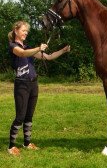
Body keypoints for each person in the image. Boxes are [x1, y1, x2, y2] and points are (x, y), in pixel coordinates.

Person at [7, 20, 70, 156]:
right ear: (16, 31)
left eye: (27, 31)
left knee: (29, 116)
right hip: (22, 84)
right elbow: (22, 53)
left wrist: (63, 50)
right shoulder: (13, 46)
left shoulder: (28, 47)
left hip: (33, 84)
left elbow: (48, 57)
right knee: (20, 116)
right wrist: (38, 48)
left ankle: (27, 143)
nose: (26, 33)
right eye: (24, 30)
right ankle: (11, 146)